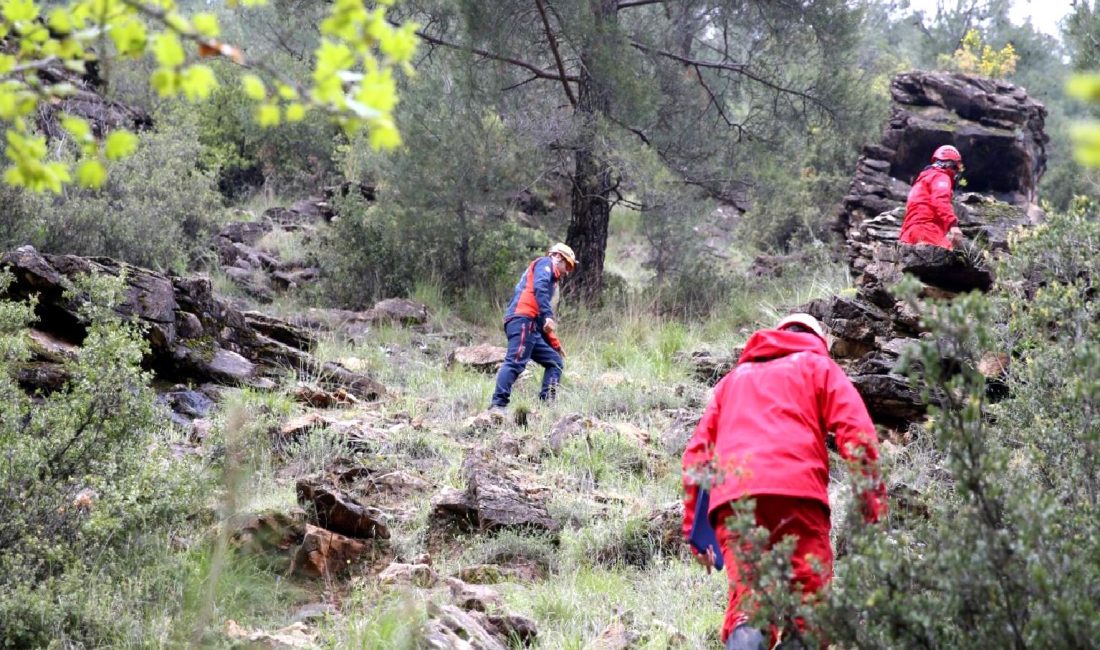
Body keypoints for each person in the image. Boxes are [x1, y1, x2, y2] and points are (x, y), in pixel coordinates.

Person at [681, 314, 886, 650]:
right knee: (809, 611)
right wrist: (871, 503)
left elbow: (696, 457)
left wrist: (695, 533)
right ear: (817, 340)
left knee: (749, 607)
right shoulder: (819, 367)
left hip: (736, 503)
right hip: (798, 497)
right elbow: (857, 432)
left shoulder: (732, 381)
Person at [489, 243, 576, 415]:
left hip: (531, 326)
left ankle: (547, 405)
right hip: (522, 320)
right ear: (557, 256)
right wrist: (549, 315)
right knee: (514, 362)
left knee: (555, 362)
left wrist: (556, 345)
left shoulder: (551, 280)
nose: (568, 271)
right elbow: (540, 289)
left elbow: (543, 322)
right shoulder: (545, 264)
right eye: (568, 265)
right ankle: (497, 406)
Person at [899, 144, 965, 249]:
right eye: (957, 168)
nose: (956, 173)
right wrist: (953, 225)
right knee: (951, 261)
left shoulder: (922, 180)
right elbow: (940, 200)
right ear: (951, 165)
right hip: (927, 229)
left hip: (908, 232)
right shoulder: (941, 176)